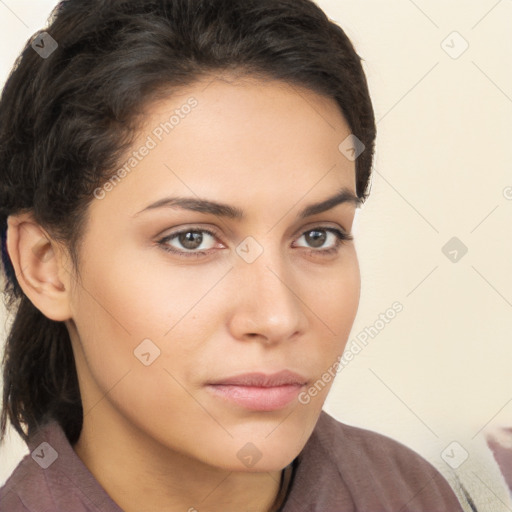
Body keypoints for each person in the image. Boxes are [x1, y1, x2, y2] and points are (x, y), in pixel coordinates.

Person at [0, 0, 465, 510]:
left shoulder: (408, 492)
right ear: (46, 266)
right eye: (191, 239)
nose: (277, 317)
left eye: (317, 236)